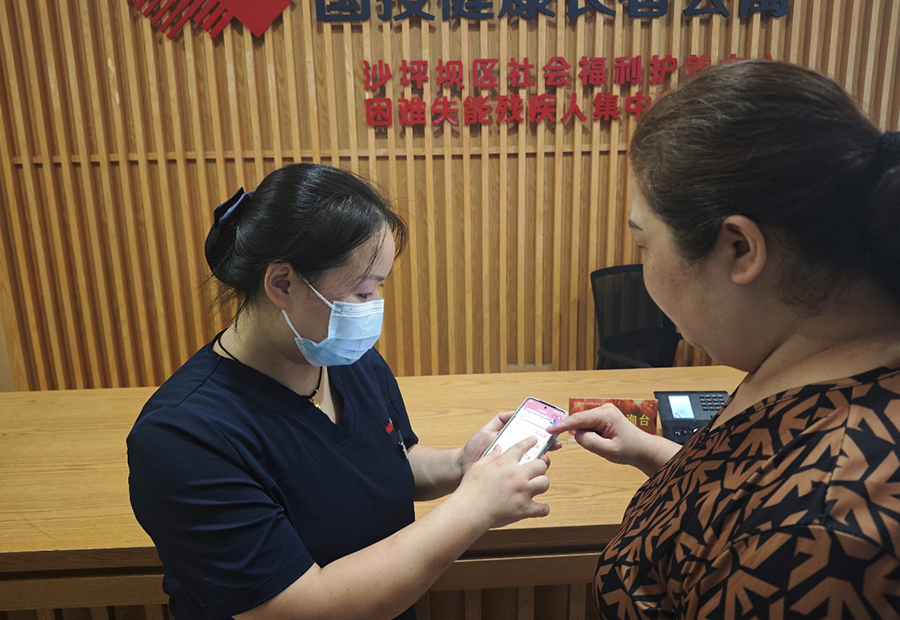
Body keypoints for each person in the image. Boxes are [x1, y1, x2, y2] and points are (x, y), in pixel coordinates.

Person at [548, 60, 900, 618]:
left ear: (739, 249)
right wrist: (651, 452)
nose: (644, 267)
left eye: (644, 244)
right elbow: (742, 495)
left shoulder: (822, 534)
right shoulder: (813, 363)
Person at [127, 164, 554, 620]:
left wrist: (459, 466)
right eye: (363, 292)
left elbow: (387, 460)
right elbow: (298, 607)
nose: (374, 308)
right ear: (282, 284)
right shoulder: (182, 437)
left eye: (379, 288)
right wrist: (472, 509)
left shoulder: (348, 360)